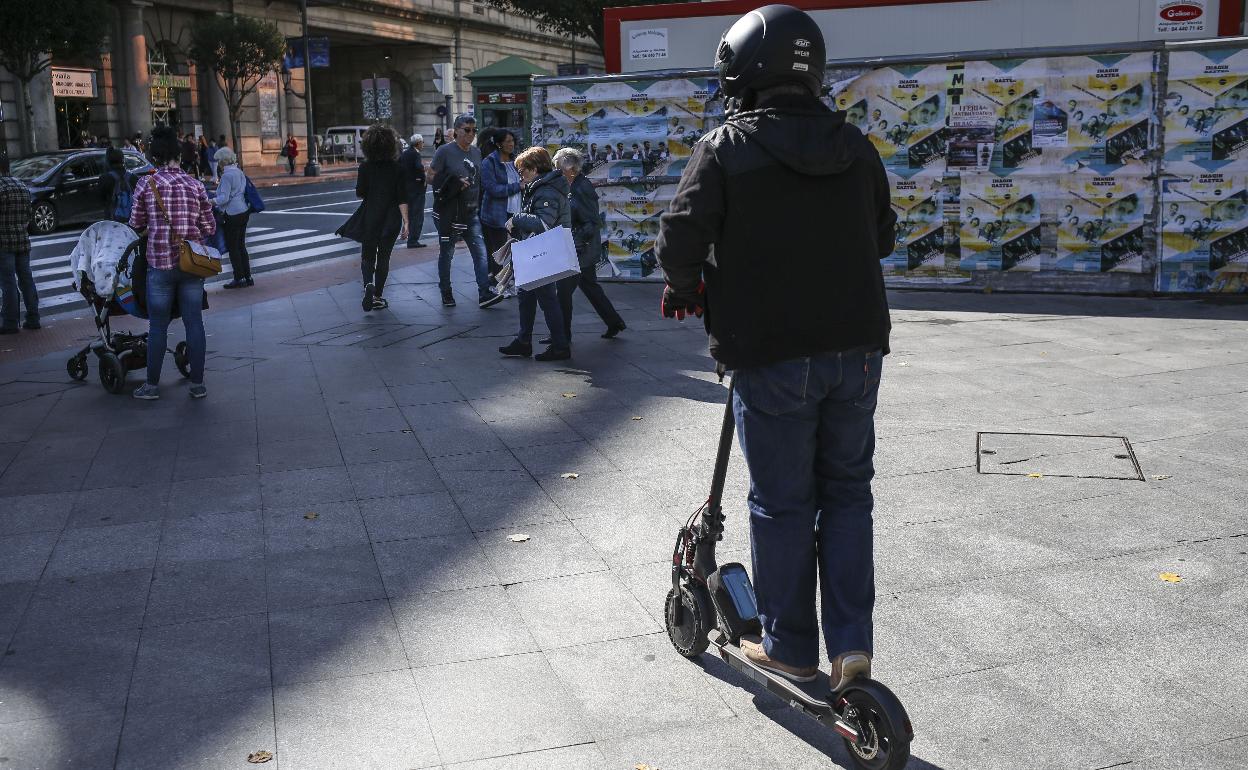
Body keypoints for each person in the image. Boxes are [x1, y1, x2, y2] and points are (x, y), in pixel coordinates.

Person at [655, 5, 895, 692]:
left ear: (743, 70)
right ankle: (851, 646)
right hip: (857, 349)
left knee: (783, 503)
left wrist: (686, 284)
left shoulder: (726, 146)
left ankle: (790, 647)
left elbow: (678, 239)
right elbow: (882, 237)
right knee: (848, 496)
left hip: (772, 351)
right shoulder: (856, 146)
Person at [128, 125, 216, 400]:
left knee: (157, 326)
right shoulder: (195, 185)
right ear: (178, 155)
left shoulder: (146, 184)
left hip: (159, 265)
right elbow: (209, 226)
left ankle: (152, 386)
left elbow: (135, 224)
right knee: (194, 323)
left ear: (155, 157)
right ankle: (197, 384)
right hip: (191, 266)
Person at [497, 147, 570, 362]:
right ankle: (524, 341)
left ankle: (560, 346)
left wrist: (517, 218)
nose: (521, 174)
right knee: (526, 295)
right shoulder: (541, 186)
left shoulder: (546, 190)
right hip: (535, 250)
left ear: (535, 168)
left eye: (523, 170)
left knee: (547, 300)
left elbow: (543, 224)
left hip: (542, 252)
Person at [551, 148, 624, 342]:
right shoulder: (573, 185)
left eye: (559, 168)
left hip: (579, 249)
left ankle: (562, 335)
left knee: (563, 293)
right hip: (580, 247)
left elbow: (590, 222)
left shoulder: (582, 188)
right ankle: (614, 322)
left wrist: (575, 243)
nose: (556, 171)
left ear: (572, 169)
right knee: (590, 287)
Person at [430, 114, 501, 309]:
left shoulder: (476, 153)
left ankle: (484, 292)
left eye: (474, 130)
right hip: (450, 213)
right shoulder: (444, 151)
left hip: (471, 212)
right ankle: (446, 291)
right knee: (447, 253)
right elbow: (431, 177)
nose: (471, 134)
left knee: (480, 253)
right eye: (467, 130)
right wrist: (453, 181)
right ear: (456, 131)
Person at [354, 125, 409, 312]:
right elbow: (402, 197)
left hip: (370, 216)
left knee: (367, 255)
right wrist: (406, 222)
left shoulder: (365, 167)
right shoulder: (398, 168)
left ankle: (368, 283)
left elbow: (360, 192)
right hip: (391, 217)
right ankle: (378, 295)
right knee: (384, 257)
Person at [0, 154, 38, 334]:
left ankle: (10, 322)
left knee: (8, 283)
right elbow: (29, 215)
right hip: (22, 241)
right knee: (26, 279)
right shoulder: (21, 185)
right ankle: (33, 317)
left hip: (3, 243)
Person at [480, 129, 522, 280]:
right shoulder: (489, 162)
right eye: (507, 141)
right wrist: (518, 186)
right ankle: (498, 283)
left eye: (512, 141)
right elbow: (492, 189)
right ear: (499, 144)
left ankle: (515, 279)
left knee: (518, 247)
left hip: (517, 211)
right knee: (498, 250)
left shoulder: (517, 160)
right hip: (496, 213)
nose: (511, 144)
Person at [213, 147, 253, 289]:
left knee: (233, 247)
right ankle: (248, 276)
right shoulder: (239, 172)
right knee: (241, 245)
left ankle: (238, 278)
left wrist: (211, 201)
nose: (217, 164)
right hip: (243, 211)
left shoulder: (226, 176)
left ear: (223, 161)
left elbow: (223, 198)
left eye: (218, 161)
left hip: (232, 214)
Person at [399, 133, 427, 248]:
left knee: (409, 214)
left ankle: (408, 235)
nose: (423, 145)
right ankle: (413, 240)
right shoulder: (416, 154)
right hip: (416, 188)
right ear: (418, 143)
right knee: (417, 215)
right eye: (422, 143)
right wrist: (422, 177)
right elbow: (418, 167)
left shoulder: (405, 153)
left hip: (406, 188)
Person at [98, 148, 136, 223]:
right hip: (132, 219)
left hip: (112, 219)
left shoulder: (104, 178)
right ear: (123, 159)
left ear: (108, 161)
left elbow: (101, 199)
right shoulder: (133, 177)